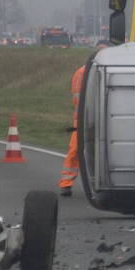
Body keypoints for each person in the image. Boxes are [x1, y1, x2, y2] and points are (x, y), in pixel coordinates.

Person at [58, 61, 85, 196]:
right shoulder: (82, 73)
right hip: (82, 121)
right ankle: (66, 184)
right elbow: (78, 99)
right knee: (75, 152)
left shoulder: (82, 72)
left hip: (92, 119)